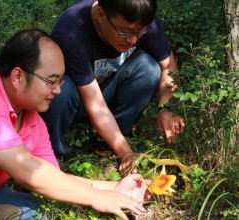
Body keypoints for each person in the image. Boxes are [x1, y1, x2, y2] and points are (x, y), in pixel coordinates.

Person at [0, 29, 150, 220]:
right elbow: (26, 171)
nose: (58, 90)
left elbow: (51, 177)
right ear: (18, 77)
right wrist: (96, 198)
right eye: (51, 81)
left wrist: (114, 187)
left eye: (60, 81)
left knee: (42, 212)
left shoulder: (33, 123)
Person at [40, 0, 185, 174]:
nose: (132, 40)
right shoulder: (71, 32)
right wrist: (127, 154)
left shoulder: (142, 19)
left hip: (104, 89)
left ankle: (116, 135)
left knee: (148, 67)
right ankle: (53, 152)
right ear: (101, 15)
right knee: (60, 91)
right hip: (77, 98)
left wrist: (166, 106)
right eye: (125, 32)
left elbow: (169, 67)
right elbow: (95, 104)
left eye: (140, 32)